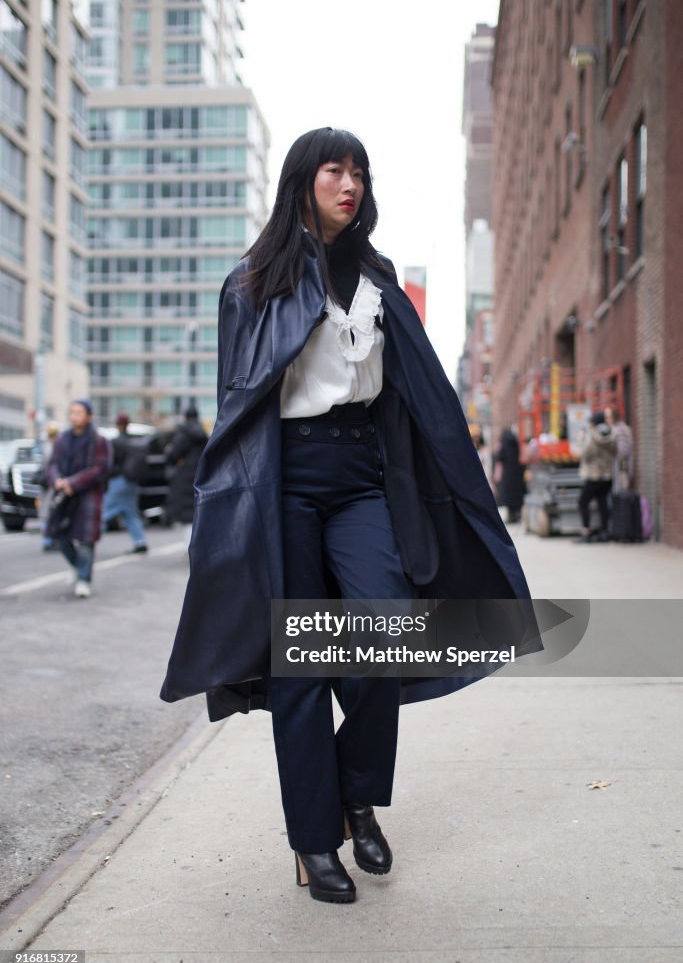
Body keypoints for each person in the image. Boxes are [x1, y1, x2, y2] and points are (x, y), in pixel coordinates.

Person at [159, 127, 544, 905]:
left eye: (359, 172)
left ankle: (354, 795)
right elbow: (238, 404)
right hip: (283, 481)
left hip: (363, 475)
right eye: (334, 170)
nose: (349, 184)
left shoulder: (376, 277)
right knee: (299, 668)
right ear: (302, 180)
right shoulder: (251, 282)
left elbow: (410, 392)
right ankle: (313, 843)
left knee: (381, 640)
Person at [46, 399, 111, 597]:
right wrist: (57, 480)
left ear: (89, 416)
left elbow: (101, 469)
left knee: (85, 540)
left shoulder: (99, 440)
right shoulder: (62, 439)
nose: (74, 416)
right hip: (64, 495)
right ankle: (76, 566)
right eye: (72, 412)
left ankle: (84, 579)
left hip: (88, 496)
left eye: (79, 412)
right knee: (60, 534)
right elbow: (52, 464)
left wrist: (72, 483)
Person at [101, 412, 148, 554]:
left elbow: (109, 463)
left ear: (118, 425)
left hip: (118, 481)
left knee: (104, 511)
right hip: (131, 482)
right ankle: (140, 542)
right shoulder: (133, 441)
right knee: (130, 513)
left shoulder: (115, 442)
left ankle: (87, 540)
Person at [164, 406, 208, 548]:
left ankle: (190, 547)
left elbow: (172, 455)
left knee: (186, 515)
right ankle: (199, 547)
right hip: (201, 474)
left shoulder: (182, 433)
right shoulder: (203, 434)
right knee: (197, 512)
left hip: (184, 477)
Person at [573, 409, 617, 543]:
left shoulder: (592, 436)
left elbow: (584, 454)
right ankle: (604, 532)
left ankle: (586, 532)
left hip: (594, 476)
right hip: (608, 476)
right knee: (603, 503)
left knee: (582, 502)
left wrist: (580, 439)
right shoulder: (611, 434)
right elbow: (615, 452)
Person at [493, 427, 527, 524]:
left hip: (507, 477)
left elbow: (499, 457)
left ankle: (511, 516)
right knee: (516, 498)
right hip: (517, 476)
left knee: (509, 499)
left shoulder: (503, 445)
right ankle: (517, 515)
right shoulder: (516, 445)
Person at [38, 421, 61, 551]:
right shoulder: (53, 448)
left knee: (45, 512)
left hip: (45, 484)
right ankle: (49, 539)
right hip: (51, 483)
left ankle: (48, 539)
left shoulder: (45, 446)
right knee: (51, 511)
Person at [604, 405, 633, 492]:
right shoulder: (615, 429)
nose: (606, 420)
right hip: (616, 470)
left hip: (620, 471)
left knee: (620, 497)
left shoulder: (620, 430)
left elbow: (622, 452)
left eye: (608, 417)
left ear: (614, 417)